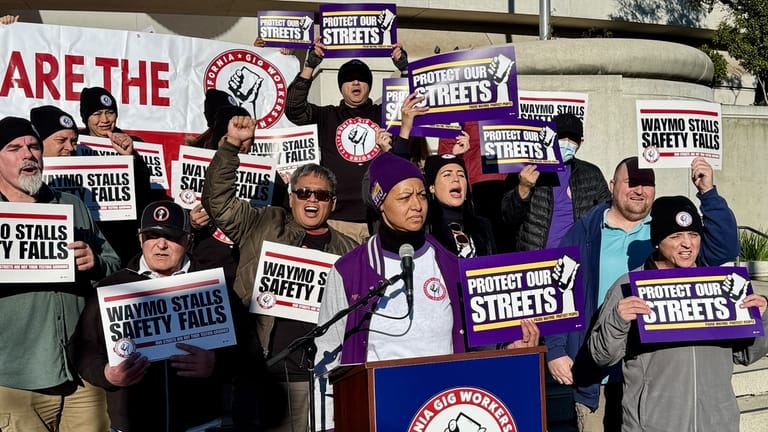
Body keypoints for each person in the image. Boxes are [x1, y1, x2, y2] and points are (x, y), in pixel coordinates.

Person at [312, 151, 539, 430]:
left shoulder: (448, 264)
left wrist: (509, 348)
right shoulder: (349, 271)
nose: (417, 205)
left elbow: (475, 337)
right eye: (405, 197)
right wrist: (327, 423)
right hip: (379, 411)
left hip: (439, 411)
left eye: (421, 195)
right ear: (380, 203)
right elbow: (327, 354)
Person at [546, 156, 740, 431]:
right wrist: (555, 349)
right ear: (612, 185)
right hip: (600, 376)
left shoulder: (669, 228)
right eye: (632, 182)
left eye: (647, 183)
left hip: (658, 375)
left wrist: (707, 192)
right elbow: (559, 289)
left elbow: (724, 246)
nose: (639, 190)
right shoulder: (585, 231)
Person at [202, 115, 358, 432]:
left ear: (333, 203)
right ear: (291, 197)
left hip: (318, 374)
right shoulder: (264, 222)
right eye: (304, 193)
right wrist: (231, 147)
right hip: (263, 370)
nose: (312, 199)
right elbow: (216, 202)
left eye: (321, 195)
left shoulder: (350, 251)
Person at [73, 200, 256, 432]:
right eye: (151, 236)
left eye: (171, 237)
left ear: (188, 241)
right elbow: (80, 349)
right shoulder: (112, 288)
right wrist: (107, 374)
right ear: (139, 238)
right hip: (133, 425)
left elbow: (249, 350)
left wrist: (216, 364)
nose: (161, 245)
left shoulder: (211, 287)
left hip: (200, 424)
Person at [588, 195, 768, 432]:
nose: (687, 244)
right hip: (653, 425)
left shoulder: (724, 286)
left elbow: (747, 355)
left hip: (717, 424)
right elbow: (600, 356)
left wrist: (761, 318)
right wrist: (618, 321)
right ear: (657, 241)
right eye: (675, 236)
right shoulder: (629, 287)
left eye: (693, 235)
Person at [0, 116, 120, 432]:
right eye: (14, 148)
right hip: (16, 380)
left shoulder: (71, 204)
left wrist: (94, 263)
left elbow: (113, 265)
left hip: (82, 374)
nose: (28, 154)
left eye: (34, 146)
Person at [285, 37, 409, 243]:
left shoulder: (386, 114)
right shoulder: (328, 116)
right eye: (349, 79)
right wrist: (310, 65)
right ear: (341, 86)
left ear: (368, 85)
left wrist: (405, 70)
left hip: (379, 217)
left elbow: (414, 104)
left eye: (361, 78)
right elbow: (293, 109)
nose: (356, 82)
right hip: (337, 219)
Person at [30, 104, 152, 265]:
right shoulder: (24, 181)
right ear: (39, 143)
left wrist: (130, 159)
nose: (70, 148)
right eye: (61, 140)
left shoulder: (93, 174)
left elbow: (140, 197)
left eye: (74, 141)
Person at [501, 113, 610, 253]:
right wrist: (523, 187)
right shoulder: (526, 170)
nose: (567, 142)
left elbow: (606, 216)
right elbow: (507, 219)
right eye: (561, 136)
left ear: (580, 143)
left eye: (573, 138)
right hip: (535, 262)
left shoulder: (592, 174)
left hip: (575, 261)